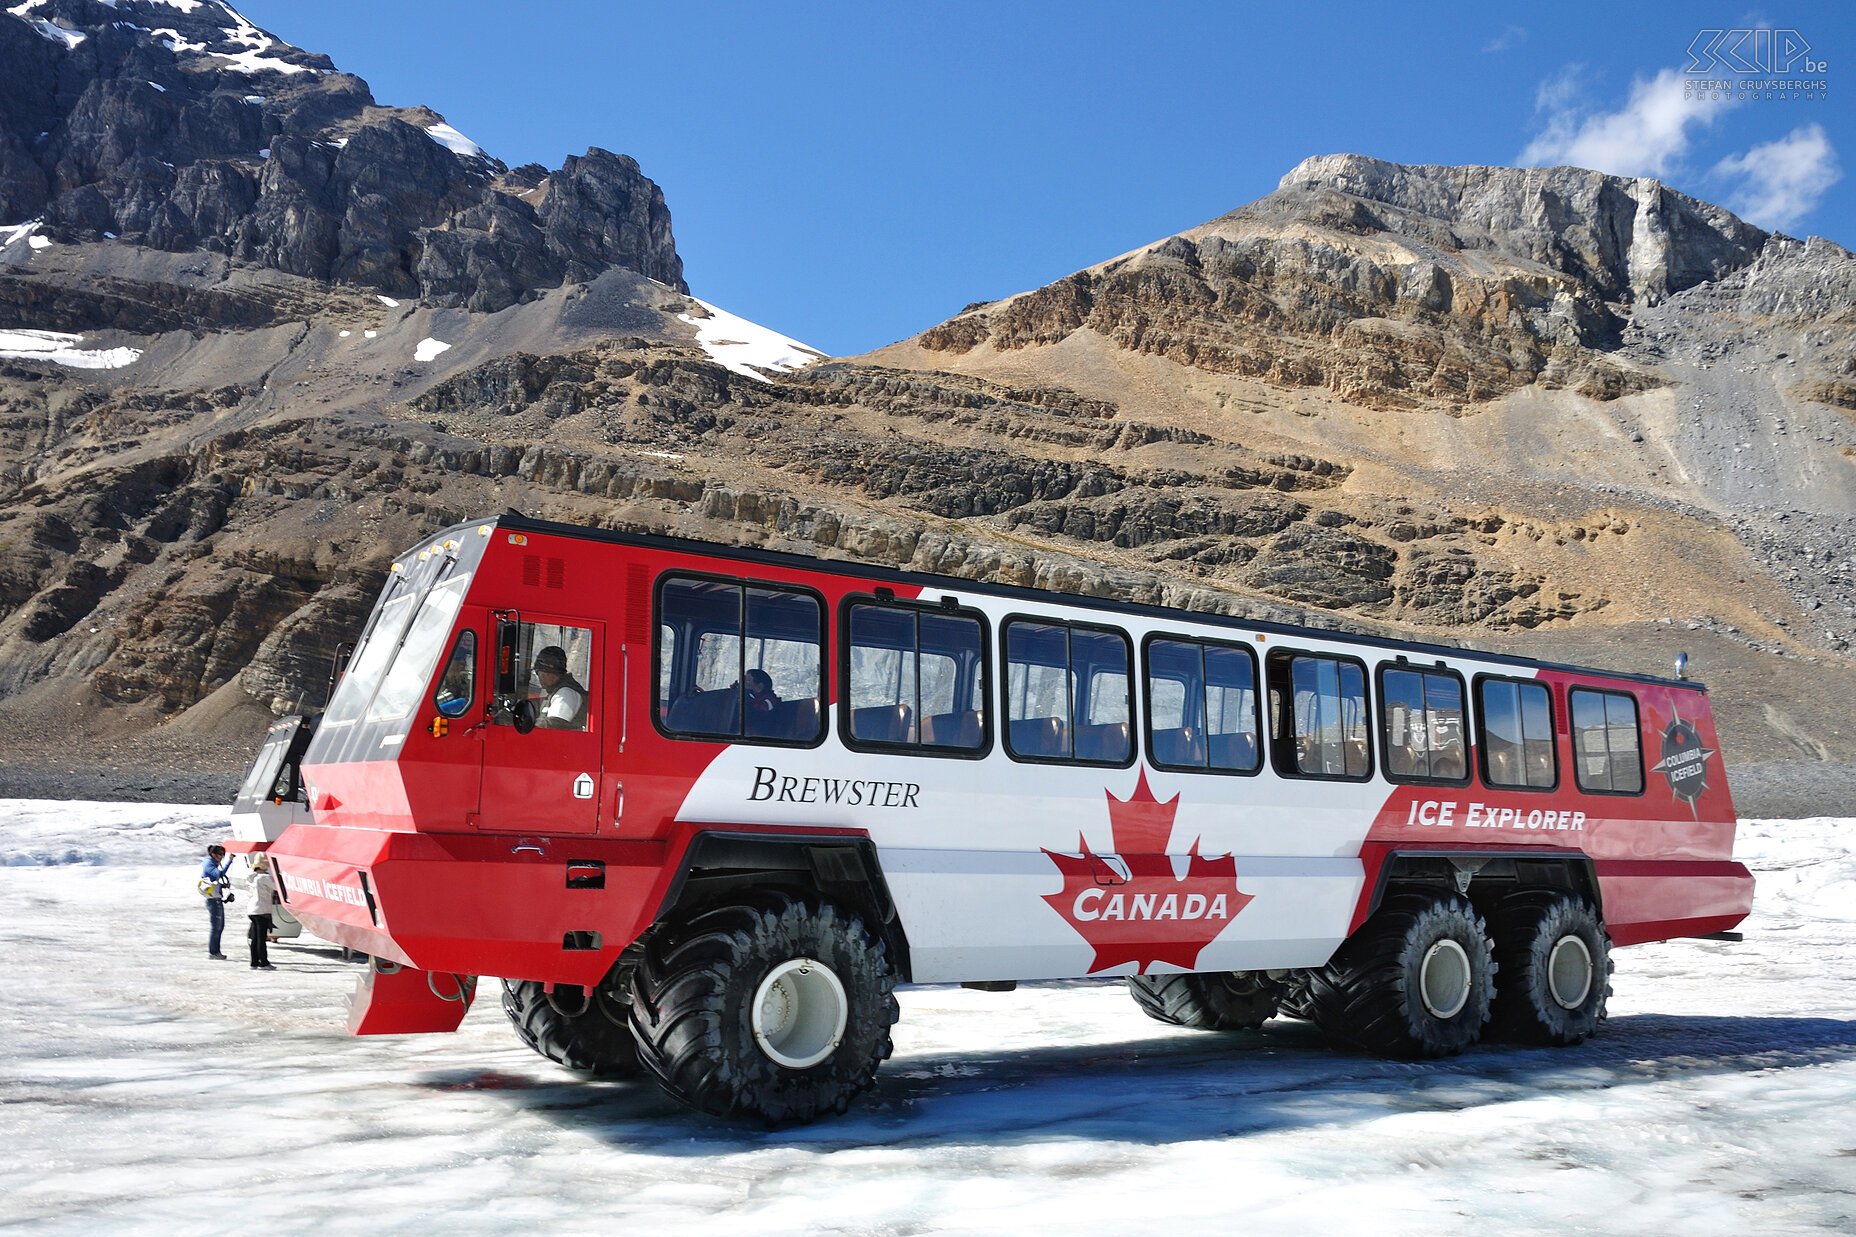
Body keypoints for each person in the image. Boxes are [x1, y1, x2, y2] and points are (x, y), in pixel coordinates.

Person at [533, 645, 588, 729]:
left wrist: (527, 726)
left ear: (547, 673)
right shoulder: (555, 691)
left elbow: (554, 724)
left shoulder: (566, 693)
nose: (540, 678)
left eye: (539, 673)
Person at [201, 844, 233, 959]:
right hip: (212, 899)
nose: (221, 857)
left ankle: (216, 951)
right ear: (213, 854)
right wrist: (229, 862)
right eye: (220, 855)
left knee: (220, 926)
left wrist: (223, 885)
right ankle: (213, 952)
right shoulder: (209, 864)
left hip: (216, 897)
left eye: (223, 855)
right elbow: (218, 874)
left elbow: (215, 878)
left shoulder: (212, 863)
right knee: (216, 926)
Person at [247, 854, 278, 970]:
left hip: (252, 910)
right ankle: (263, 962)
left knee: (255, 938)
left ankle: (254, 961)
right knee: (261, 938)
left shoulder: (251, 877)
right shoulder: (264, 878)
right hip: (262, 909)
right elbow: (277, 887)